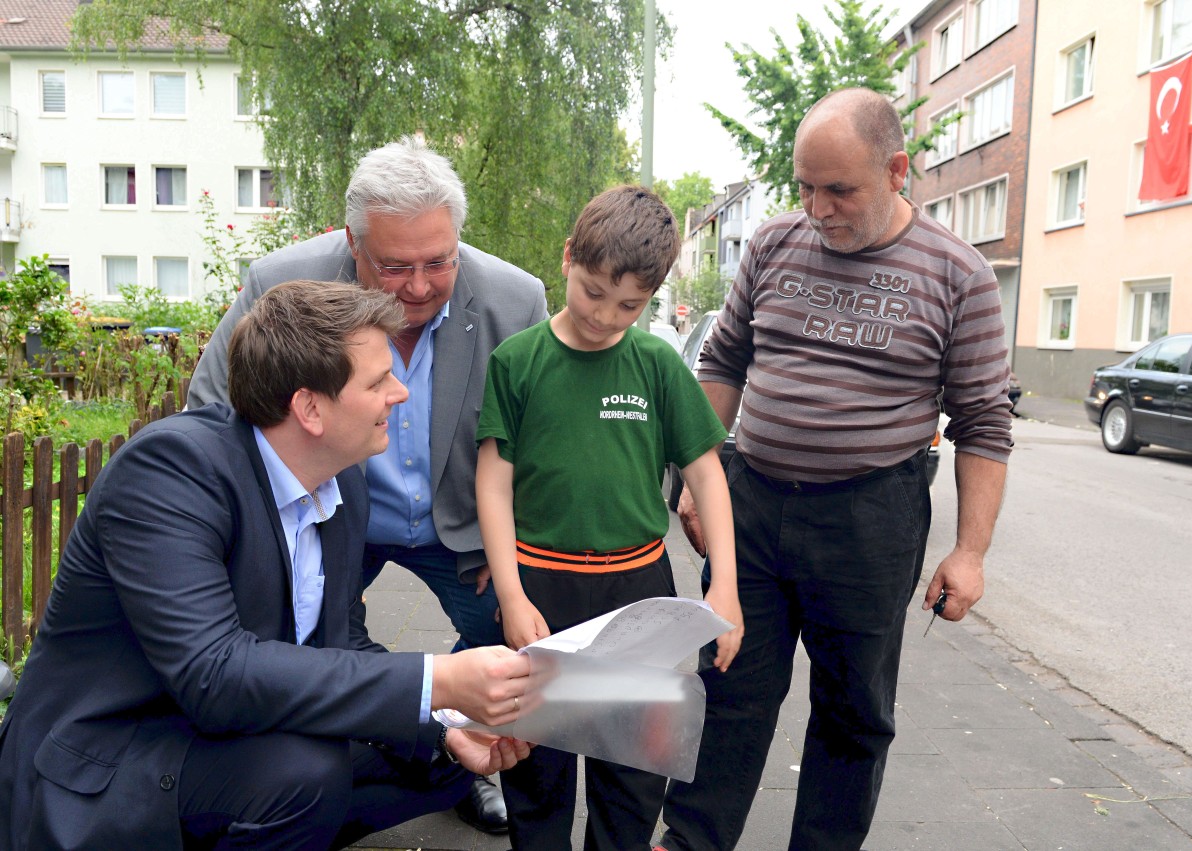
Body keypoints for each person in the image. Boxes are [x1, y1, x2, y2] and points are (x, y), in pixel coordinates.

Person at [0, 280, 534, 850]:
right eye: (379, 381)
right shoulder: (172, 472)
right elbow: (213, 672)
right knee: (301, 775)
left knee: (444, 757)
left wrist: (444, 724)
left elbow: (341, 645)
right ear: (308, 408)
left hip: (222, 731)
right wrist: (439, 678)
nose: (400, 393)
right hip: (113, 754)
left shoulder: (343, 482)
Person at [657, 88, 1014, 851]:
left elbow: (983, 422)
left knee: (853, 713)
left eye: (839, 189)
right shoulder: (773, 244)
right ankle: (687, 841)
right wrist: (696, 476)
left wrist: (971, 550)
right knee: (728, 687)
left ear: (896, 170)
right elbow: (723, 361)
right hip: (750, 505)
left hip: (868, 519)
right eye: (804, 187)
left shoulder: (961, 277)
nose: (817, 208)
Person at [187, 136, 547, 833]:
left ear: (458, 239)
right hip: (332, 516)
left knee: (510, 645)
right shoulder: (281, 286)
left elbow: (539, 441)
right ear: (352, 243)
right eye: (394, 266)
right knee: (310, 643)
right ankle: (303, 773)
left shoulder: (516, 298)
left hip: (459, 526)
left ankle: (476, 762)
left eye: (438, 262)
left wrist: (510, 551)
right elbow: (211, 408)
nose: (418, 286)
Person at [475, 185, 744, 850]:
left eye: (630, 305)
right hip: (542, 590)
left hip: (637, 594)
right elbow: (493, 480)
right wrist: (510, 593)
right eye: (594, 292)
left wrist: (725, 585)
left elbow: (708, 471)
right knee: (536, 769)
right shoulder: (518, 362)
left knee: (631, 775)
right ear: (568, 258)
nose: (605, 315)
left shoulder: (654, 363)